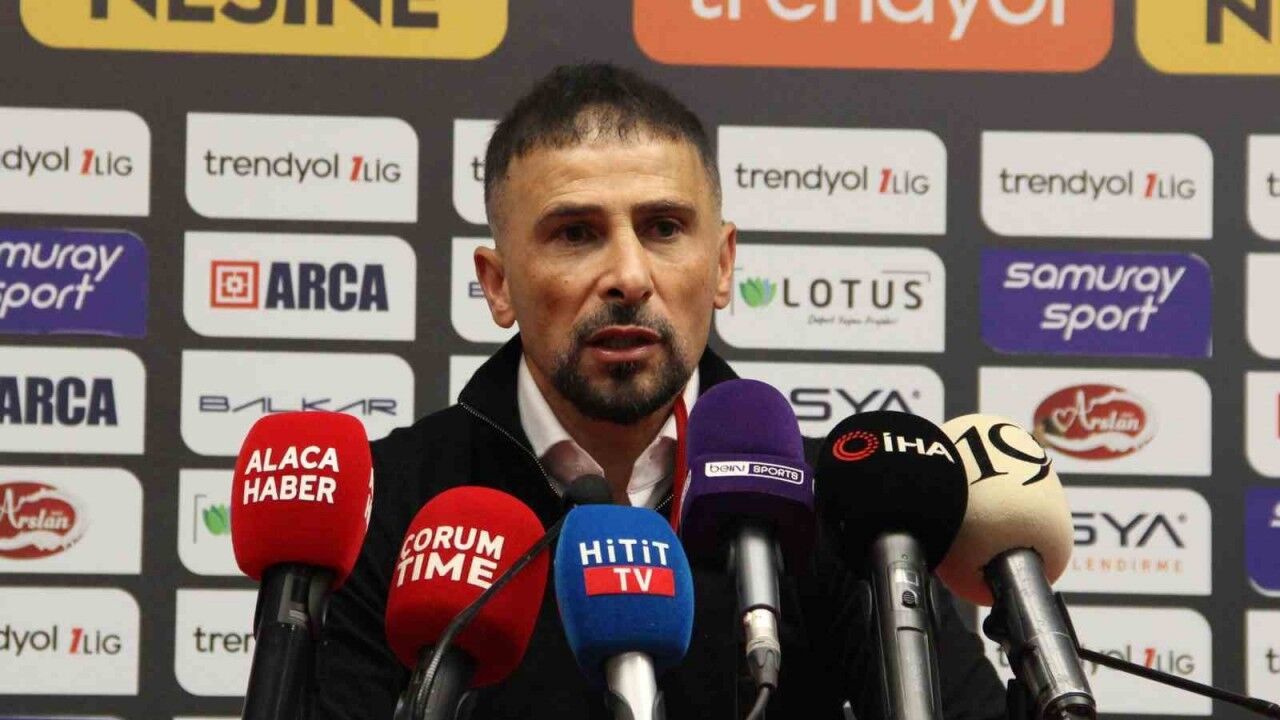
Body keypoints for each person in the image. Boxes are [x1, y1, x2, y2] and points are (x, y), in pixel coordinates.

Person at [310, 62, 1006, 720]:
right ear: (498, 286)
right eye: (576, 234)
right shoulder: (385, 505)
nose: (629, 277)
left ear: (723, 266)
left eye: (664, 228)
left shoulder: (837, 504)